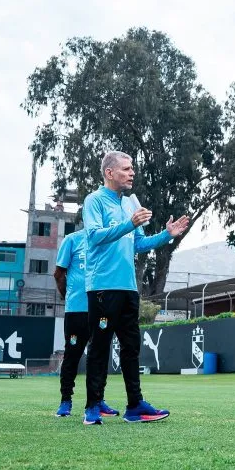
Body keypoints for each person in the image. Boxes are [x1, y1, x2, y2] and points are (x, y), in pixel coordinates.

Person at [82, 151, 188, 424]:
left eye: (132, 169)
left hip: (129, 288)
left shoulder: (131, 203)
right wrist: (129, 223)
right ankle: (93, 405)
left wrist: (167, 235)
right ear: (109, 172)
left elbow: (138, 244)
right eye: (126, 169)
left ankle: (135, 406)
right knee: (100, 346)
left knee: (131, 348)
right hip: (103, 286)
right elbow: (94, 237)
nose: (132, 173)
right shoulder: (94, 200)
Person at [54, 214, 118, 418]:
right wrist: (69, 297)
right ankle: (65, 401)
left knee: (100, 355)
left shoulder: (109, 241)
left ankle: (98, 400)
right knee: (72, 354)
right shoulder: (72, 240)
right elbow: (58, 274)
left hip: (101, 310)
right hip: (77, 311)